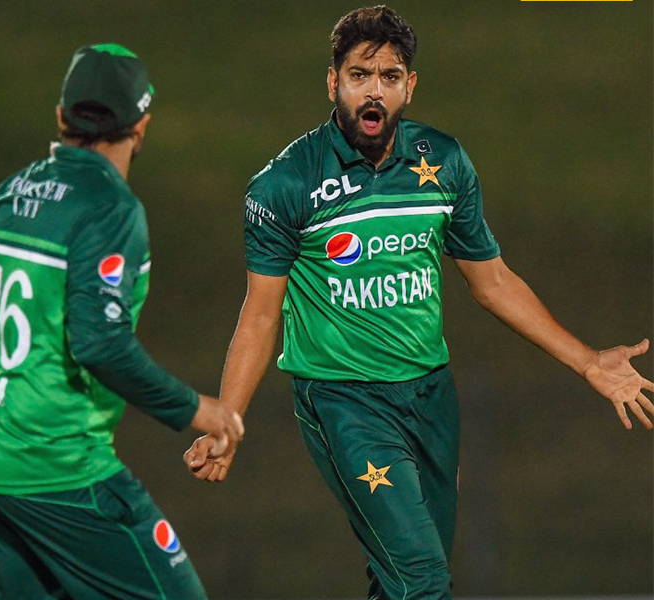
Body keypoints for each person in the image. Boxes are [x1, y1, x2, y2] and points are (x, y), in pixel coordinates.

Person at [183, 6, 654, 599]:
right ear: (332, 83)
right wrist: (227, 420)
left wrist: (588, 362)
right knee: (423, 580)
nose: (373, 92)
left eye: (388, 77)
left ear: (409, 86)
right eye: (359, 76)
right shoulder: (285, 185)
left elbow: (493, 283)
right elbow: (260, 313)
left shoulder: (443, 163)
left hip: (432, 398)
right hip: (345, 403)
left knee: (402, 580)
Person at [0, 43, 244, 600]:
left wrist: (35, 185)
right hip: (57, 463)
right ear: (141, 127)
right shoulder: (112, 208)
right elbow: (99, 344)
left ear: (60, 117)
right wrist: (195, 408)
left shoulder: (21, 186)